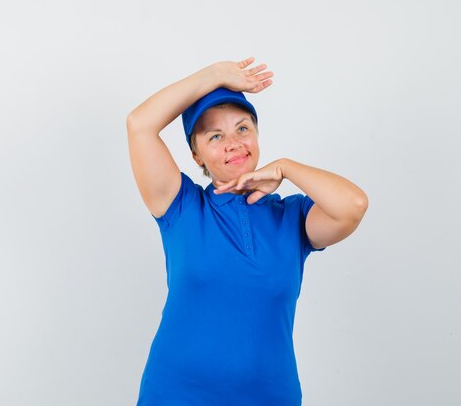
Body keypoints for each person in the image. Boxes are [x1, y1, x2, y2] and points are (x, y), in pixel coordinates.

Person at [126, 57, 369, 406]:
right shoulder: (181, 207)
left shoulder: (293, 217)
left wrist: (286, 168)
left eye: (243, 128)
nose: (233, 143)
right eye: (215, 135)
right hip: (176, 394)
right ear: (197, 156)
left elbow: (354, 206)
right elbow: (139, 124)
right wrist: (213, 75)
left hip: (269, 398)